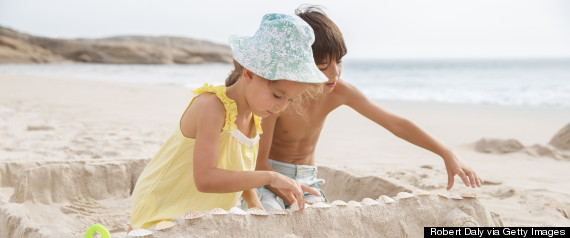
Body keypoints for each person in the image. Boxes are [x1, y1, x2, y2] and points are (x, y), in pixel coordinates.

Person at [253, 6, 484, 210]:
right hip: (268, 176)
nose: (334, 73)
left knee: (319, 215)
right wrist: (286, 192)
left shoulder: (340, 91)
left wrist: (446, 152)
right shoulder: (279, 97)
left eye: (339, 62)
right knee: (271, 213)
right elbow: (258, 162)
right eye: (323, 66)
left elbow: (395, 123)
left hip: (308, 179)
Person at [130, 13, 328, 229]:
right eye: (278, 95)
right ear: (250, 73)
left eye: (290, 99)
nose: (281, 107)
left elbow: (237, 168)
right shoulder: (212, 107)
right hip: (164, 209)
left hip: (201, 216)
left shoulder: (255, 114)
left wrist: (254, 203)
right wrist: (269, 177)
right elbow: (205, 179)